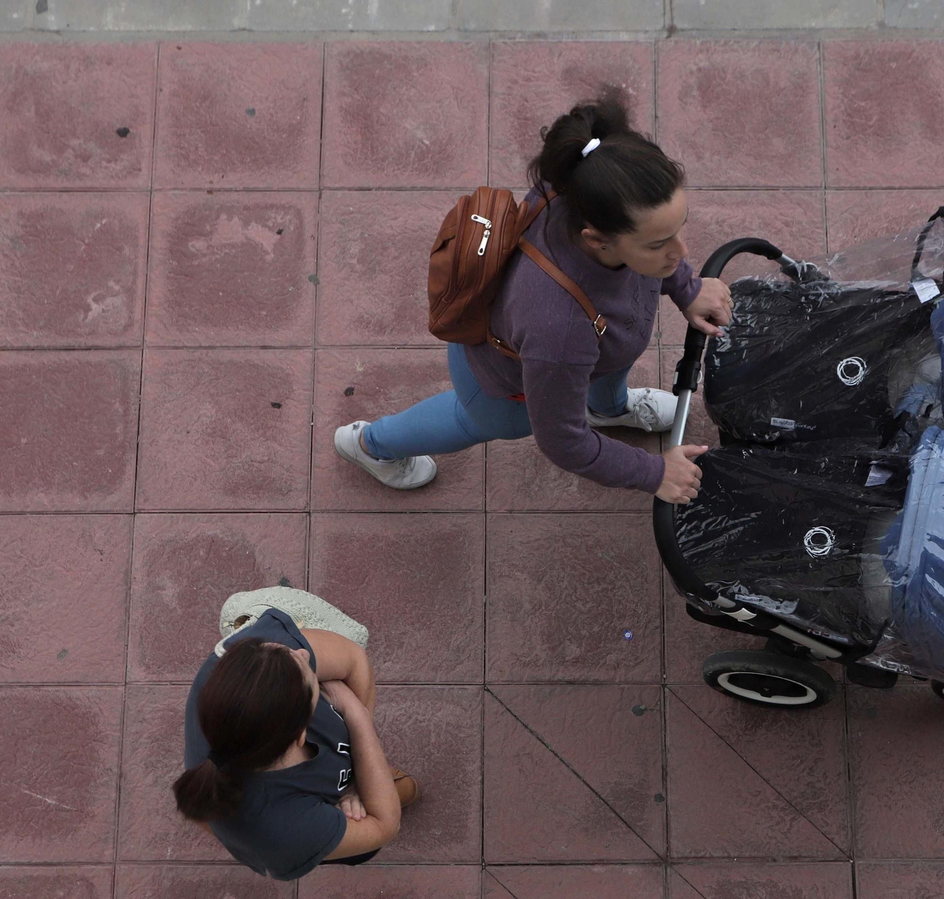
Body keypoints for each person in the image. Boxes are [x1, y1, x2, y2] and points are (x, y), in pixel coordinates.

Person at [335, 86, 734, 505]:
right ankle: (370, 445)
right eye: (658, 245)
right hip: (505, 387)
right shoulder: (561, 332)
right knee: (468, 420)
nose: (682, 252)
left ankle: (608, 409)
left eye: (678, 228)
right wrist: (652, 472)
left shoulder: (582, 186)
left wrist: (685, 287)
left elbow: (654, 253)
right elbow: (563, 442)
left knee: (597, 369)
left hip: (587, 351)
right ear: (597, 240)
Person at [172, 592, 418, 881]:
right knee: (402, 793)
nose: (303, 653)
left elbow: (354, 659)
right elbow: (384, 825)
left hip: (316, 812)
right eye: (309, 678)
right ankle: (397, 790)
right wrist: (356, 715)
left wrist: (354, 787)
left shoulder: (249, 662)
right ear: (301, 734)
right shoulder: (288, 831)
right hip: (311, 834)